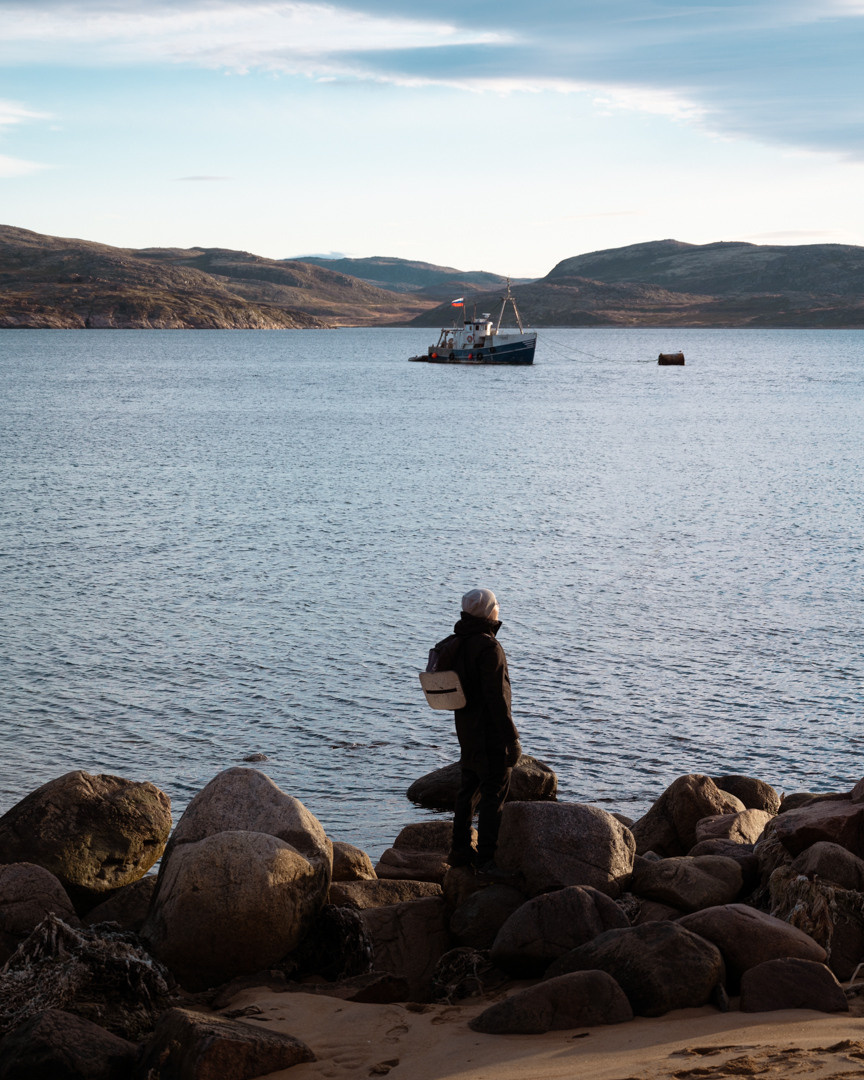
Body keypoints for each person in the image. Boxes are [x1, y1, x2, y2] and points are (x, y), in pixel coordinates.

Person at [433, 587, 521, 875]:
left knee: (467, 791)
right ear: (489, 612)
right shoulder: (489, 647)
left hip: (466, 731)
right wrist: (512, 738)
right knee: (494, 794)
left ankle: (459, 851)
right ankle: (486, 860)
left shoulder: (457, 643)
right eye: (496, 606)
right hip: (490, 734)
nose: (499, 610)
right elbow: (498, 700)